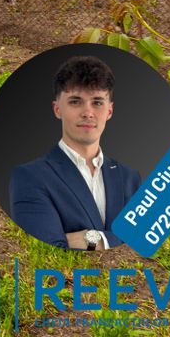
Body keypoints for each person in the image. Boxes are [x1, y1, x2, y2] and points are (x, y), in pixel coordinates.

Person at [8, 55, 142, 250]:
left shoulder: (129, 177)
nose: (87, 113)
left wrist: (90, 239)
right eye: (75, 102)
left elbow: (144, 243)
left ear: (109, 111)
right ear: (57, 109)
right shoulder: (29, 177)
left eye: (97, 102)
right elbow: (47, 248)